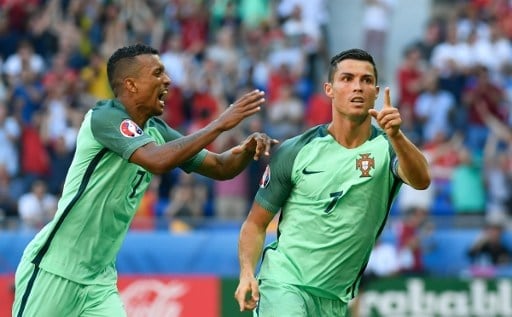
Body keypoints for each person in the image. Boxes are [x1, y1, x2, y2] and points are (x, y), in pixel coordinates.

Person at [12, 43, 278, 317]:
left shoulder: (156, 131)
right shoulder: (104, 117)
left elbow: (221, 167)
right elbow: (157, 160)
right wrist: (220, 123)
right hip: (54, 269)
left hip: (98, 281)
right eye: (157, 73)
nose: (168, 80)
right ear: (131, 84)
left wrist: (246, 150)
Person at [234, 48, 430, 317]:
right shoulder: (295, 151)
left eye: (366, 80)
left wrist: (397, 136)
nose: (357, 87)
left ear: (376, 90)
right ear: (329, 89)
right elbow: (255, 224)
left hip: (335, 300)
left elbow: (421, 180)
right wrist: (247, 273)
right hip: (284, 285)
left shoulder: (388, 147)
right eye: (347, 79)